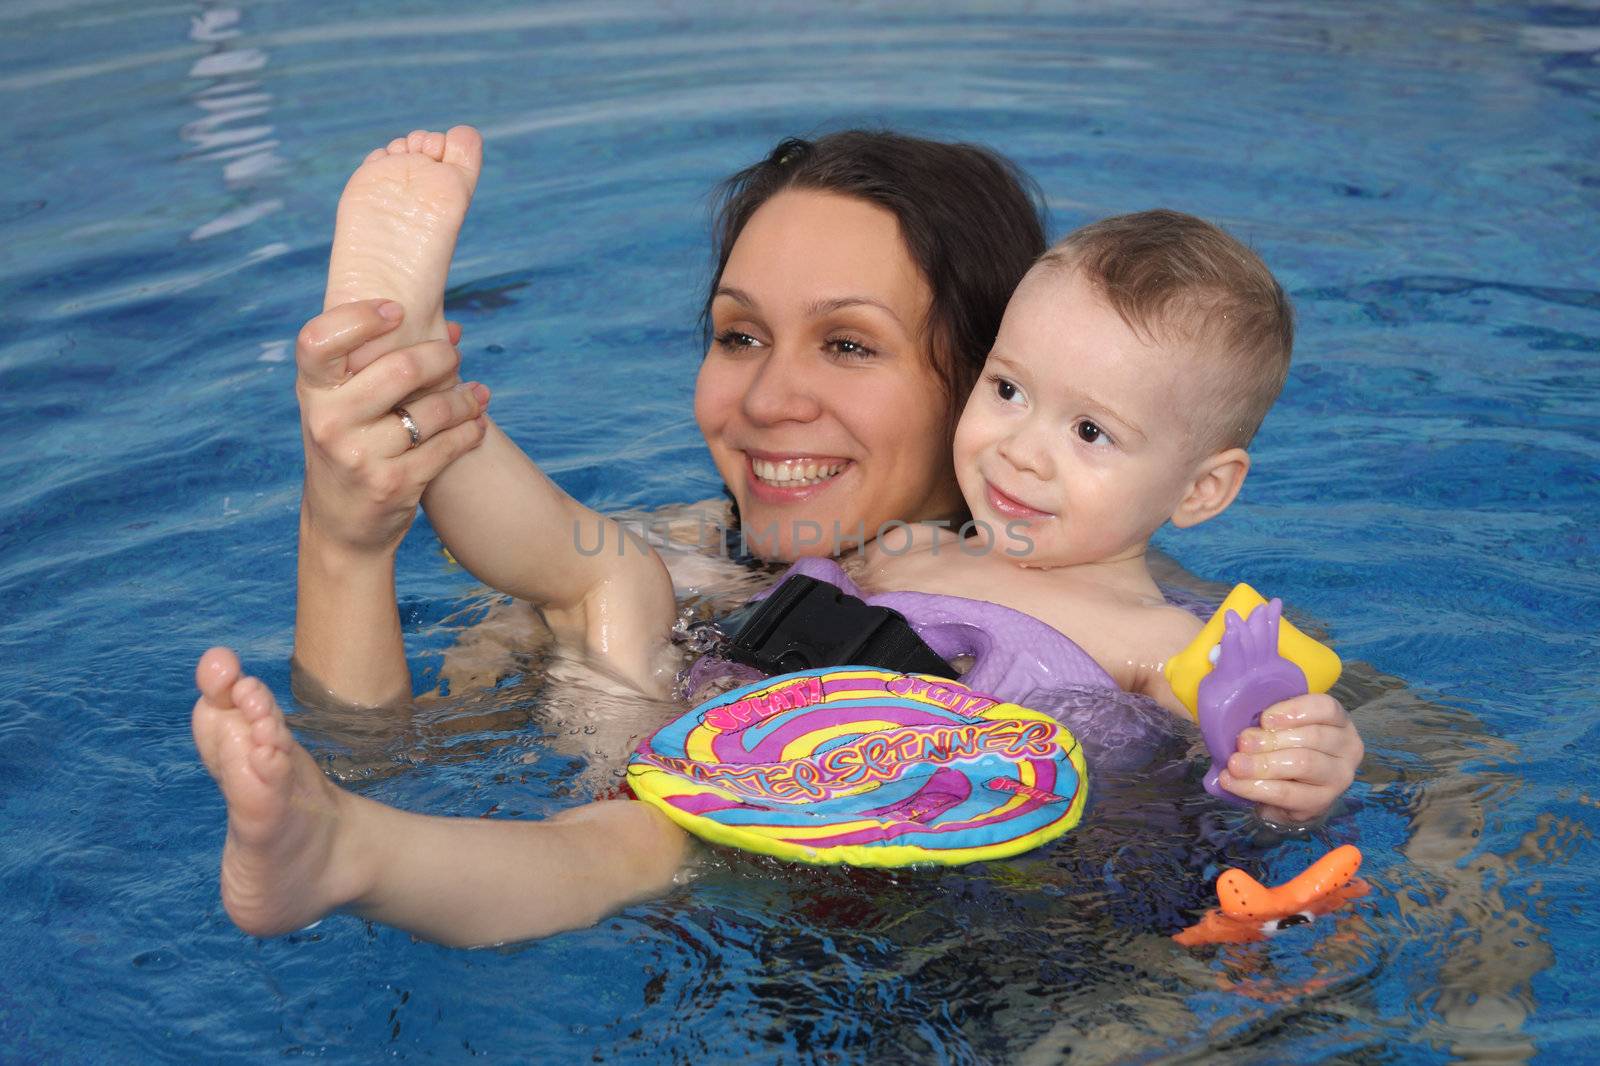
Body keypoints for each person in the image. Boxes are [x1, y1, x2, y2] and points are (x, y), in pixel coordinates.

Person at [191, 128, 1361, 947]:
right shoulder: (843, 553)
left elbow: (1274, 752)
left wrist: (1300, 769)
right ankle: (402, 384)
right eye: (737, 335)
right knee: (613, 586)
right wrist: (344, 532)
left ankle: (352, 854)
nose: (1022, 448)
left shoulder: (1167, 630)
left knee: (628, 838)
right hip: (750, 750)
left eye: (848, 344)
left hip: (912, 845)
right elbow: (394, 734)